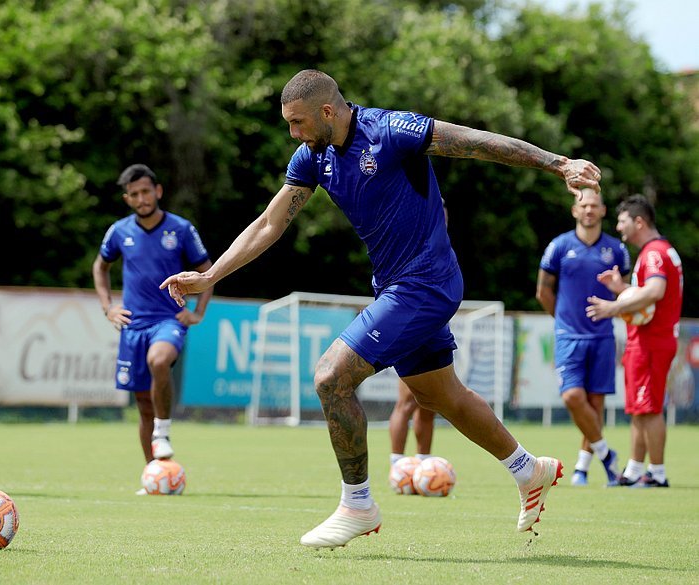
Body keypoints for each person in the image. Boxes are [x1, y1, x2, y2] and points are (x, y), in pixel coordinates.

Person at [161, 70, 601, 548]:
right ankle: (527, 469)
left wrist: (557, 163)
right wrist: (209, 277)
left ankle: (358, 504)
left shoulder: (392, 131)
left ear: (328, 111)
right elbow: (269, 224)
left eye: (298, 122)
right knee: (441, 396)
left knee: (331, 376)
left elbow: (476, 143)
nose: (293, 133)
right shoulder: (313, 157)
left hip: (426, 283)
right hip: (395, 287)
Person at [92, 164, 214, 490]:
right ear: (127, 199)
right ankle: (154, 477)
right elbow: (100, 267)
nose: (141, 198)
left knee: (159, 361)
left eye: (146, 191)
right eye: (134, 194)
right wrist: (108, 308)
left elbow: (207, 271)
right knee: (143, 405)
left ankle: (163, 431)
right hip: (133, 326)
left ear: (157, 192)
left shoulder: (182, 229)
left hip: (167, 321)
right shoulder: (119, 231)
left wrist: (198, 311)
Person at [585, 194, 683, 488]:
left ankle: (657, 473)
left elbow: (654, 291)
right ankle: (634, 471)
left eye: (622, 220)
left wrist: (613, 307)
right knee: (640, 408)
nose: (618, 226)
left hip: (652, 342)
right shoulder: (661, 251)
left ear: (639, 222)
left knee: (649, 408)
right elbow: (649, 296)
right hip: (649, 341)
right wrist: (622, 288)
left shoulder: (653, 253)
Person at [535, 188, 630, 487]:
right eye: (583, 205)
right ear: (574, 211)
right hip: (568, 336)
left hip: (602, 336)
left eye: (594, 206)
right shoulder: (559, 246)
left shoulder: (617, 250)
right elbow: (543, 291)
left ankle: (582, 468)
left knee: (595, 404)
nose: (589, 210)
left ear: (603, 211)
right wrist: (562, 320)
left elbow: (626, 293)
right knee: (572, 397)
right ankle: (607, 455)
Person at [388, 199, 448, 467]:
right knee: (406, 400)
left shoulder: (443, 250)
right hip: (409, 322)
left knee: (431, 401)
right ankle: (397, 464)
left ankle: (424, 462)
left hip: (434, 324)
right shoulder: (408, 244)